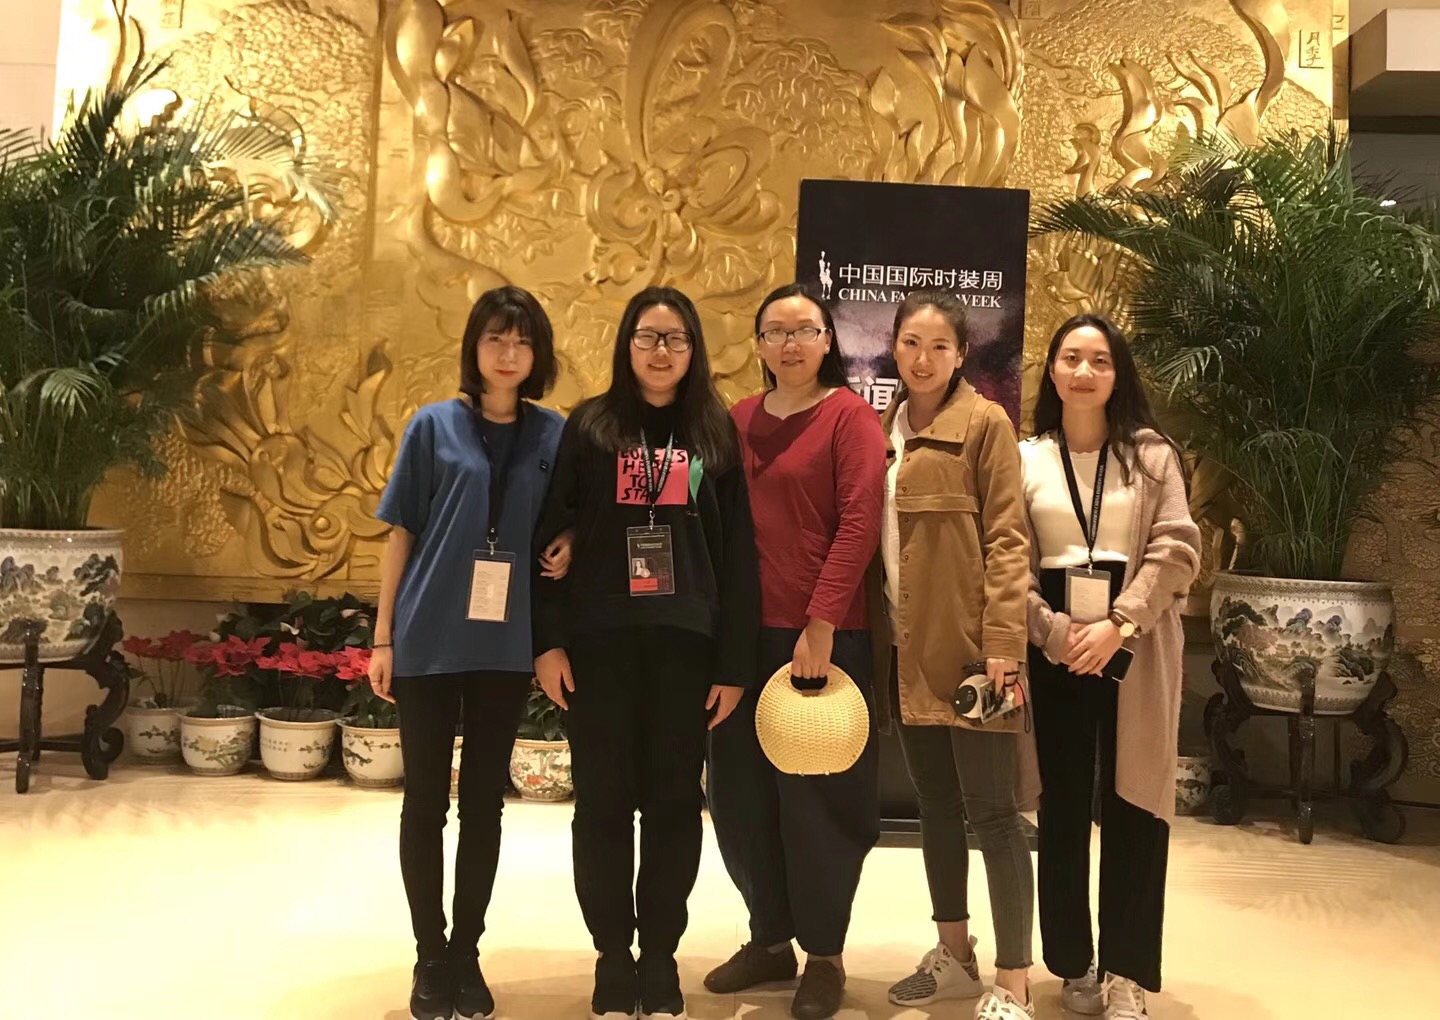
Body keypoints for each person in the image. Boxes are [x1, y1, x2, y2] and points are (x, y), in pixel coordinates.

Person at [532, 286, 759, 1020]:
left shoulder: (714, 432)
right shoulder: (591, 427)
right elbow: (552, 534)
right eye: (647, 337)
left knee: (673, 806)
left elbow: (737, 553)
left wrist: (733, 665)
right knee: (601, 805)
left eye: (675, 339)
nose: (661, 352)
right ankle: (611, 955)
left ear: (694, 350)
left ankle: (659, 956)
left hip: (685, 645)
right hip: (598, 641)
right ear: (626, 344)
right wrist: (549, 641)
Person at [370, 286, 570, 1020]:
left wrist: (571, 538)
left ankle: (466, 952)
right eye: (495, 338)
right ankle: (430, 955)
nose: (508, 353)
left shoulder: (554, 434)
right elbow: (401, 535)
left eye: (522, 341)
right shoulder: (433, 426)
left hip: (505, 643)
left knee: (485, 804)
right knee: (425, 802)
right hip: (427, 635)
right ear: (474, 348)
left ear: (537, 354)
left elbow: (573, 516)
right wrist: (382, 636)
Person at [707, 283, 886, 1020]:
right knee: (738, 797)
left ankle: (824, 954)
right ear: (758, 344)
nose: (790, 343)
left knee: (819, 806)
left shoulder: (850, 417)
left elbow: (859, 523)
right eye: (775, 331)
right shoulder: (738, 420)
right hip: (743, 638)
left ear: (827, 341)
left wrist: (821, 622)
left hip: (824, 639)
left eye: (804, 330)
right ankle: (769, 938)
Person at [1020, 315, 1201, 1020]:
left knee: (1135, 803)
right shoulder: (1027, 456)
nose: (1084, 371)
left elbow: (1177, 547)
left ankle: (1126, 971)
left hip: (1136, 638)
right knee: (1060, 805)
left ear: (1118, 373)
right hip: (1054, 641)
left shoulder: (1152, 456)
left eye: (1099, 359)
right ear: (1052, 370)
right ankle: (1072, 962)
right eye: (1071, 357)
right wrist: (1053, 631)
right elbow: (1006, 558)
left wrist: (1119, 623)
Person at [871, 291, 1038, 1020]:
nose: (923, 358)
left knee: (995, 816)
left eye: (940, 345)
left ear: (962, 354)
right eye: (911, 342)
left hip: (975, 656)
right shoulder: (884, 430)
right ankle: (954, 956)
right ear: (894, 347)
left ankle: (1015, 980)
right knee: (935, 807)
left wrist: (1004, 647)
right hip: (905, 649)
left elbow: (1008, 540)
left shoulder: (986, 424)